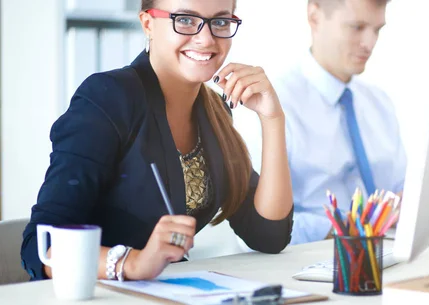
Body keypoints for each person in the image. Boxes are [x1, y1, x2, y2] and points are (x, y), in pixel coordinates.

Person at [20, 0, 293, 281]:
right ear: (148, 24)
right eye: (185, 20)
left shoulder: (214, 113)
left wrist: (272, 119)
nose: (206, 38)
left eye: (220, 22)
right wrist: (133, 263)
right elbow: (41, 247)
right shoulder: (109, 97)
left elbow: (268, 235)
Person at [264, 0, 407, 245]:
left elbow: (400, 189)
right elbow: (260, 228)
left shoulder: (380, 103)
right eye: (357, 27)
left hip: (392, 250)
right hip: (317, 260)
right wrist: (357, 227)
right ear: (315, 17)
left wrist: (427, 207)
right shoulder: (272, 107)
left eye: (377, 30)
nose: (369, 43)